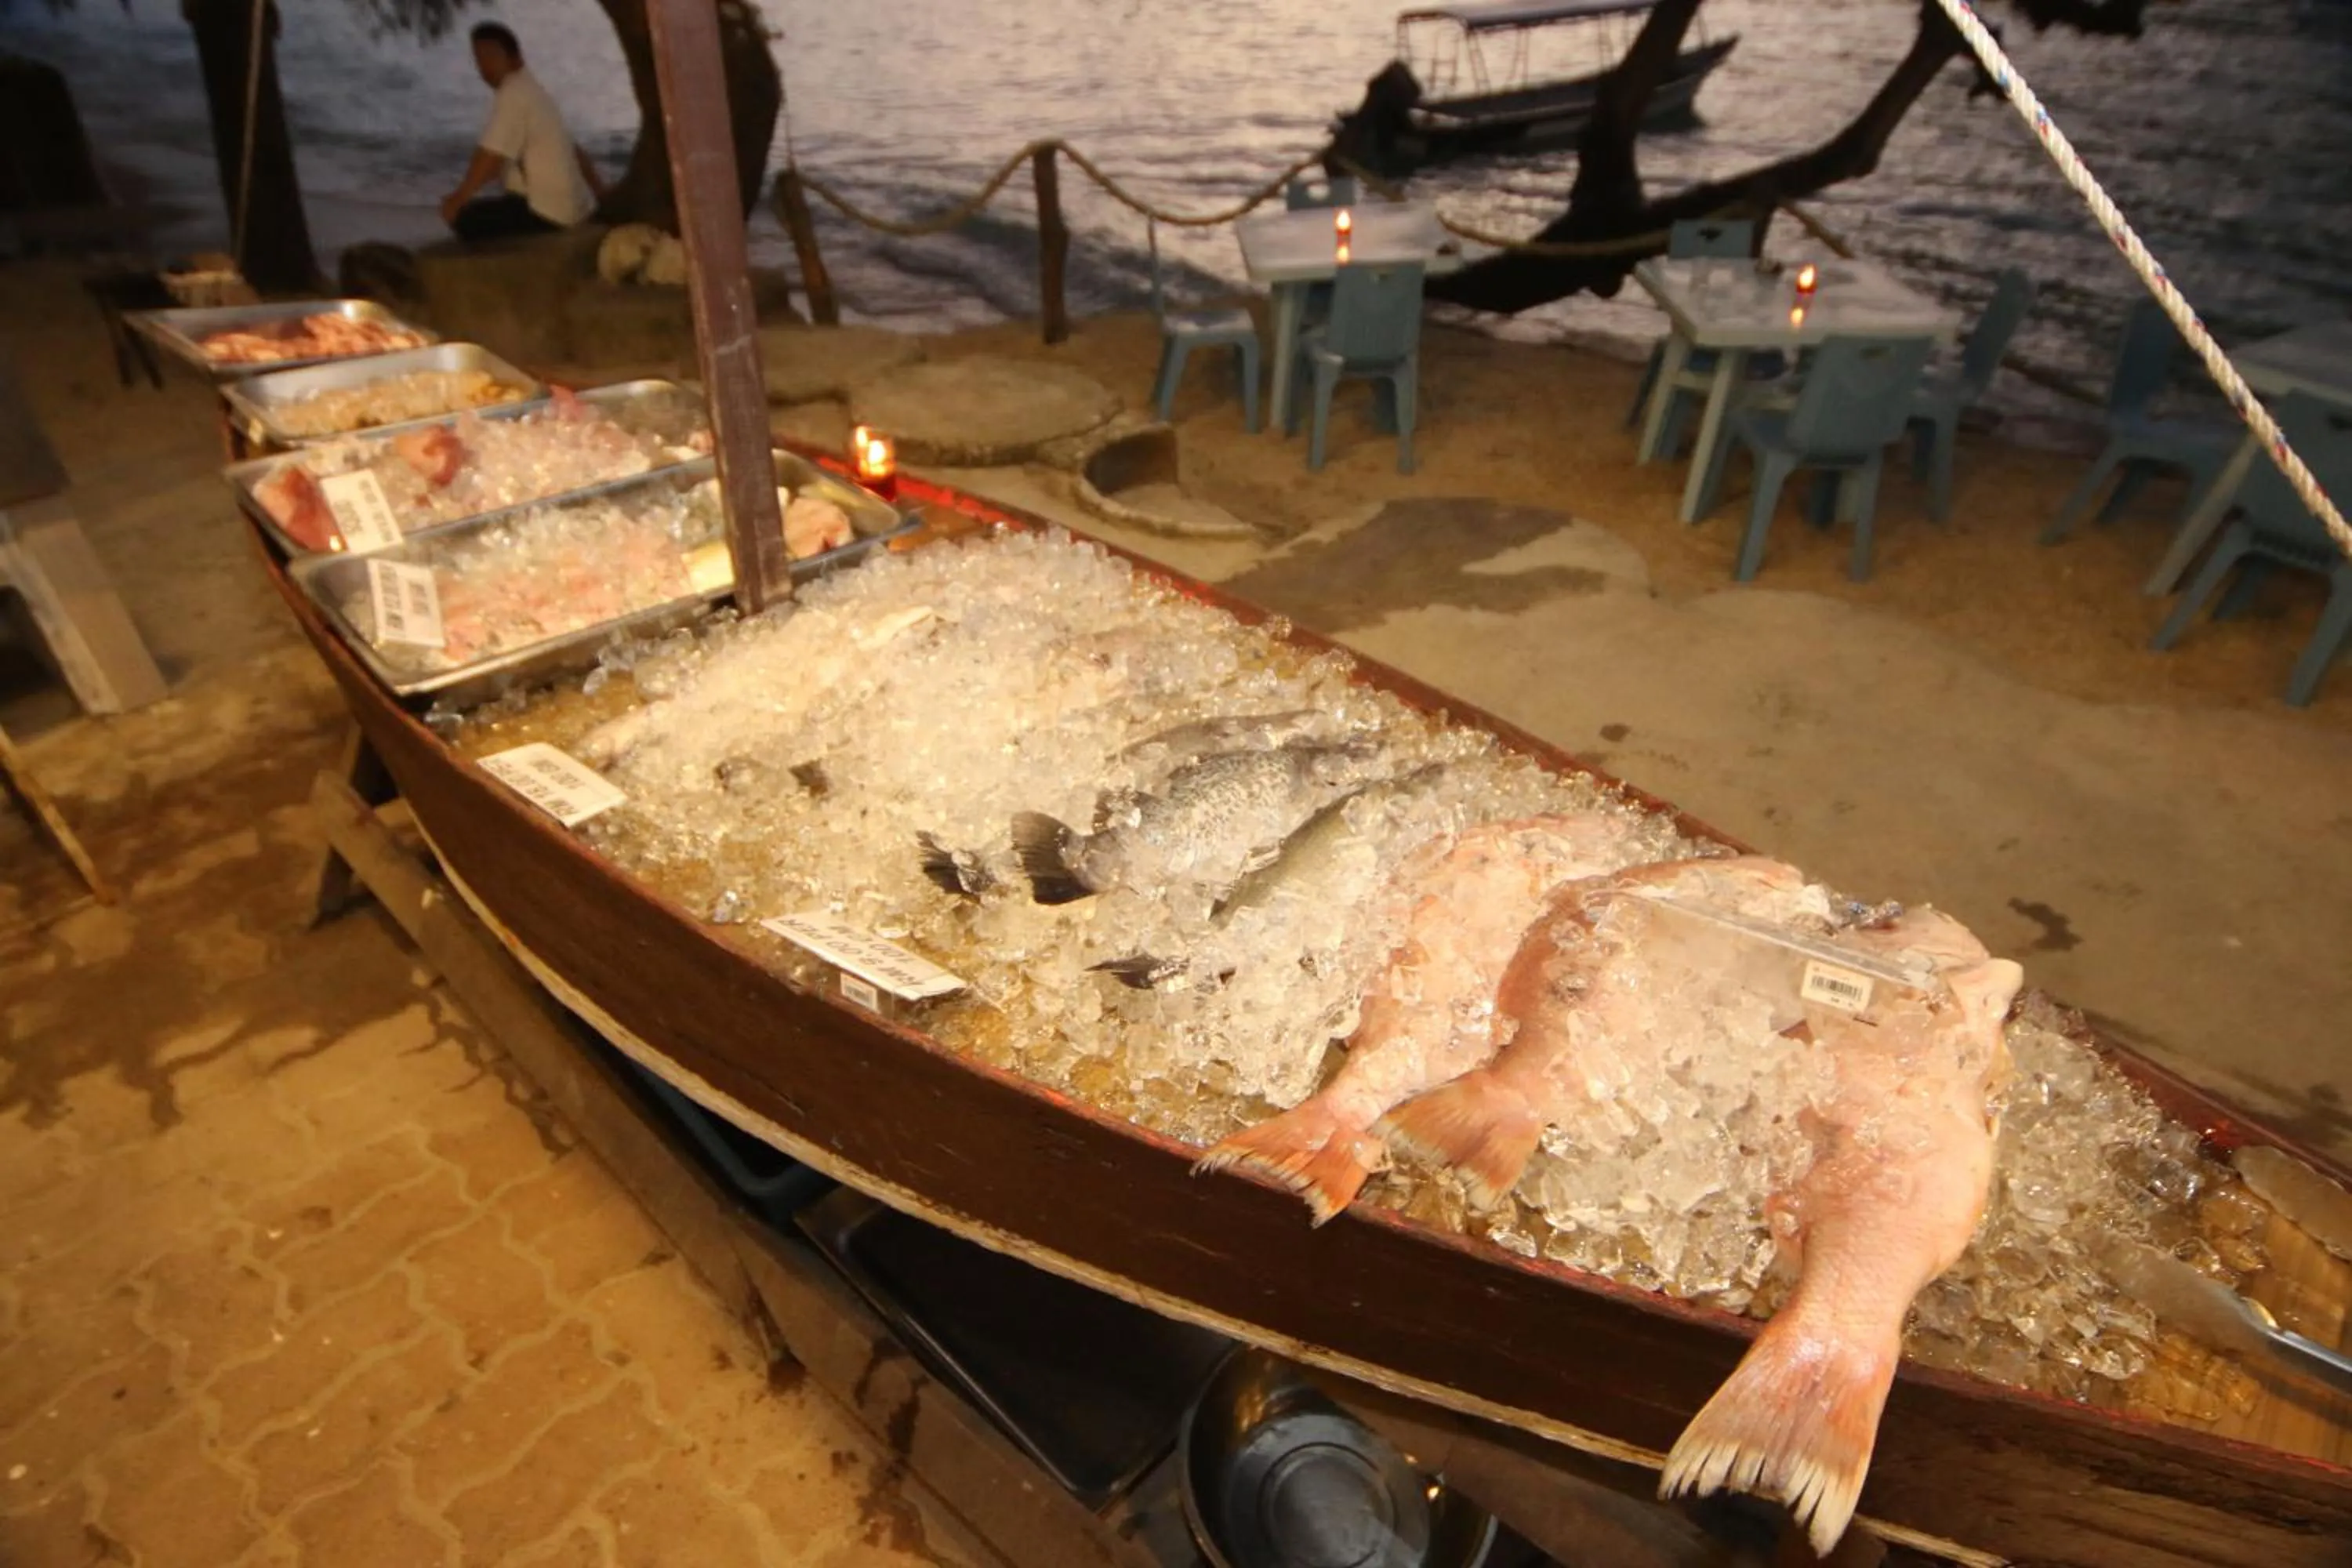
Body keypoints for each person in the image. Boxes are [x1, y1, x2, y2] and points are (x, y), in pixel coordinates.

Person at [440, 23, 606, 243]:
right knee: (490, 206)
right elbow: (574, 150)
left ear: (515, 58)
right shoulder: (535, 91)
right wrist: (599, 191)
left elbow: (490, 157)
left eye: (491, 57)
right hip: (573, 210)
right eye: (478, 58)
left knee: (464, 217)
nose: (484, 66)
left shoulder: (514, 92)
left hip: (546, 214)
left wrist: (458, 199)